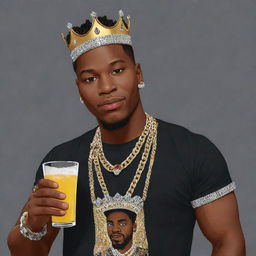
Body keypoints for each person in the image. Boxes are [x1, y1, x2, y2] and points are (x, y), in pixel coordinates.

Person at [7, 10, 245, 256]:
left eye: (117, 71)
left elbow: (228, 241)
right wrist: (31, 224)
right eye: (90, 79)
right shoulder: (63, 161)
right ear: (79, 89)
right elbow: (27, 251)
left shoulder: (193, 152)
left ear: (138, 73)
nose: (107, 87)